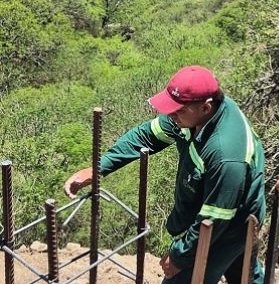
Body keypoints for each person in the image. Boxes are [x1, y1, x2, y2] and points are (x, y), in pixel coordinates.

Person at [64, 65, 267, 284]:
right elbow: (146, 136)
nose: (171, 114)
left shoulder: (226, 154)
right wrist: (99, 168)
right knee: (245, 275)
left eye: (178, 110)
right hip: (222, 209)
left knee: (188, 278)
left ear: (206, 107)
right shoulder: (193, 116)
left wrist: (180, 256)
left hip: (232, 224)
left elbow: (215, 219)